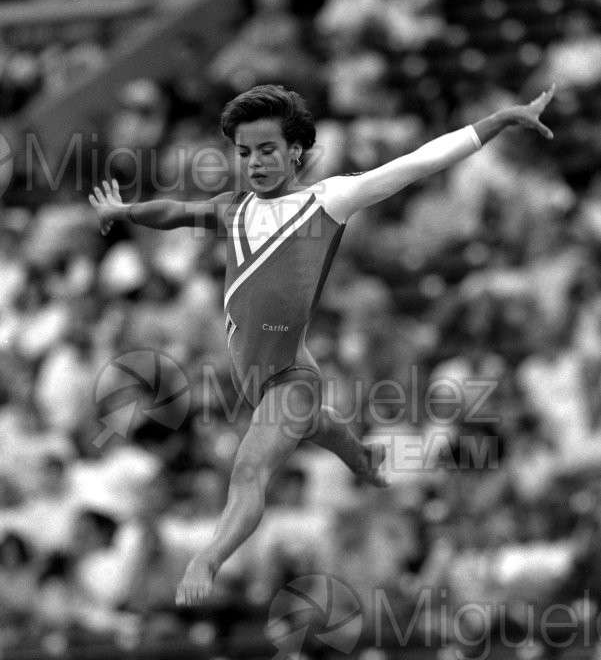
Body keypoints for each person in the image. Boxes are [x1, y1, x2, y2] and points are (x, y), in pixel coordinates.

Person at [89, 82, 555, 605]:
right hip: (263, 374)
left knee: (249, 468)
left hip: (288, 376)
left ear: (293, 152)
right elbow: (173, 211)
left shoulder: (327, 200)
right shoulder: (235, 209)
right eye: (245, 152)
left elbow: (419, 162)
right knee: (318, 427)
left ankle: (211, 556)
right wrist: (126, 213)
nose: (256, 163)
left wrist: (498, 120)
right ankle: (363, 460)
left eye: (267, 150)